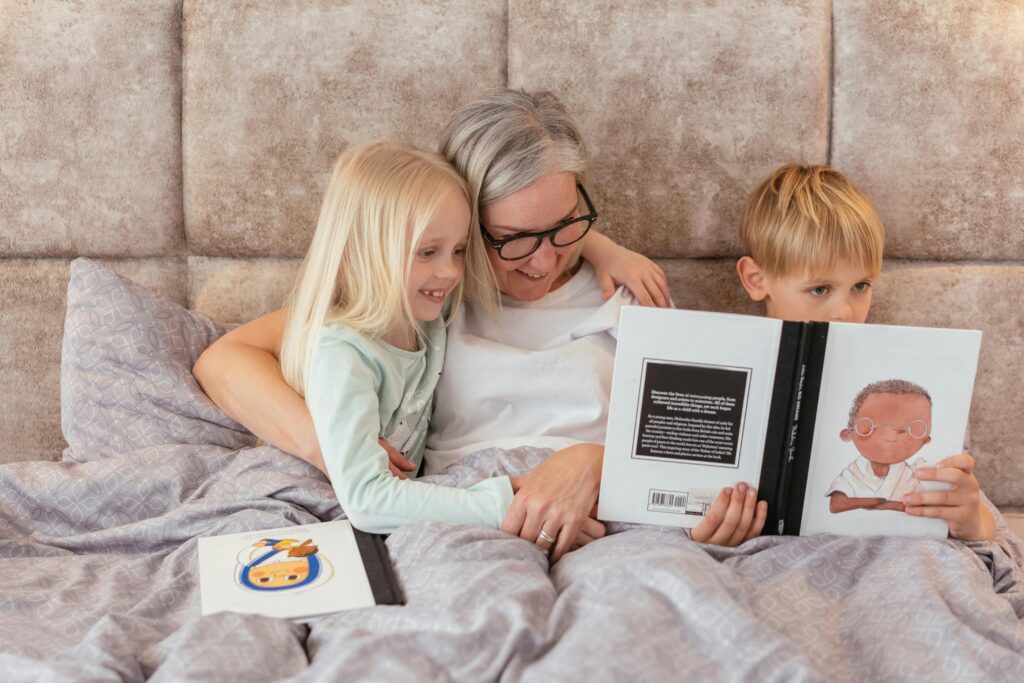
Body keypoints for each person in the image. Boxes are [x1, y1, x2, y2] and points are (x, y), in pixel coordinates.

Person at [194, 89, 764, 561]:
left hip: (604, 521)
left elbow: (692, 446)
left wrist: (595, 462)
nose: (542, 262)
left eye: (567, 227)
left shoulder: (631, 293)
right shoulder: (427, 292)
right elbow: (226, 360)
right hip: (463, 515)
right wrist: (337, 448)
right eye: (512, 241)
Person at [274, 139, 525, 533]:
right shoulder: (342, 352)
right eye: (428, 252)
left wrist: (605, 251)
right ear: (367, 249)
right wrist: (501, 507)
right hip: (318, 505)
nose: (451, 272)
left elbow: (526, 242)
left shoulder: (424, 314)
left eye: (458, 250)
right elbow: (367, 499)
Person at [734, 163, 995, 541]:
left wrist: (970, 520)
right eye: (820, 289)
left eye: (860, 286)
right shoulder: (734, 365)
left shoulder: (907, 379)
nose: (845, 310)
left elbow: (976, 520)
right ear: (757, 280)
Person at [828, 379, 932, 513]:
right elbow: (836, 505)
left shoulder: (906, 476)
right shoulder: (854, 472)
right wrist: (875, 502)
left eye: (914, 429)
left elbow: (920, 508)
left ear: (926, 440)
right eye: (868, 427)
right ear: (848, 434)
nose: (891, 436)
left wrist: (876, 504)